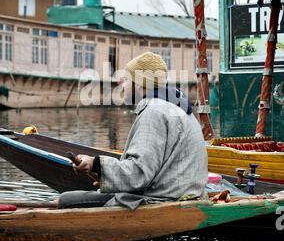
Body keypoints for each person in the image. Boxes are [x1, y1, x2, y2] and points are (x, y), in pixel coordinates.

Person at [58, 52, 208, 210]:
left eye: (126, 79)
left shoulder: (154, 112)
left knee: (66, 200)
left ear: (139, 84)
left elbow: (138, 174)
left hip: (162, 200)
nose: (122, 85)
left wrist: (95, 164)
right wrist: (106, 175)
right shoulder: (176, 105)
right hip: (181, 192)